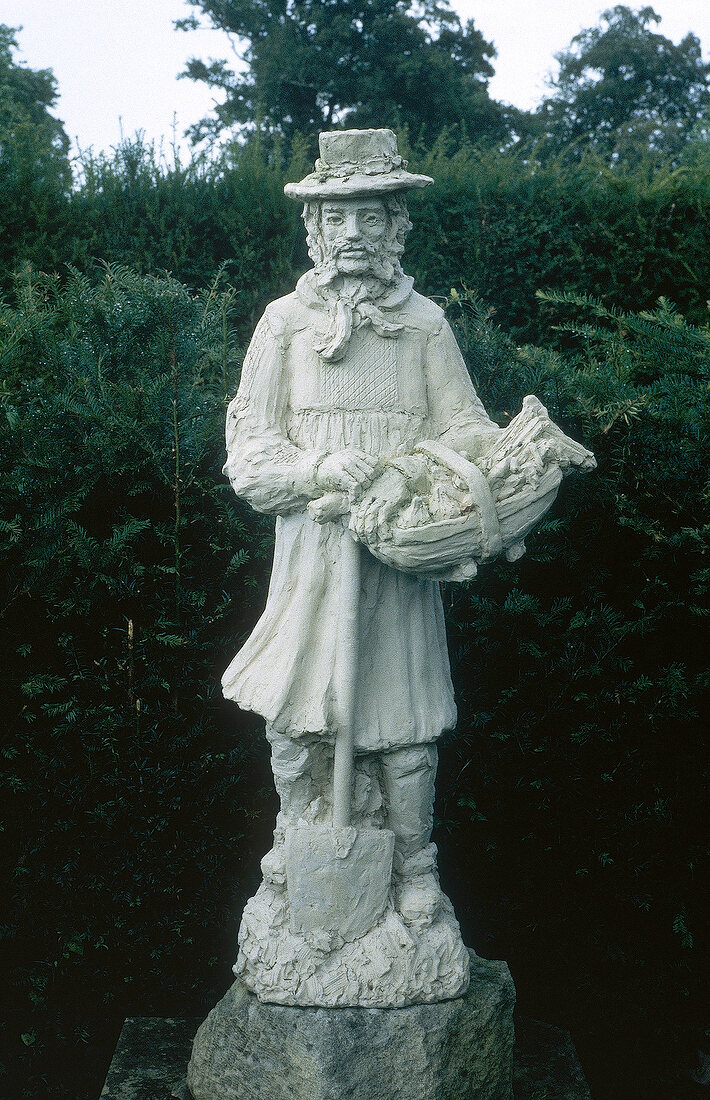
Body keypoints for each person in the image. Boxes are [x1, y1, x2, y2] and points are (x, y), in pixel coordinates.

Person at [222, 129, 501, 985]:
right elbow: (248, 448)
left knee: (404, 730)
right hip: (312, 564)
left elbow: (471, 433)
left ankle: (415, 868)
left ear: (395, 226)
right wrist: (314, 470)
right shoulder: (284, 324)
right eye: (335, 214)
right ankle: (296, 841)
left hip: (397, 562)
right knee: (295, 718)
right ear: (315, 227)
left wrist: (415, 470)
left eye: (368, 215)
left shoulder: (424, 325)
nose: (351, 231)